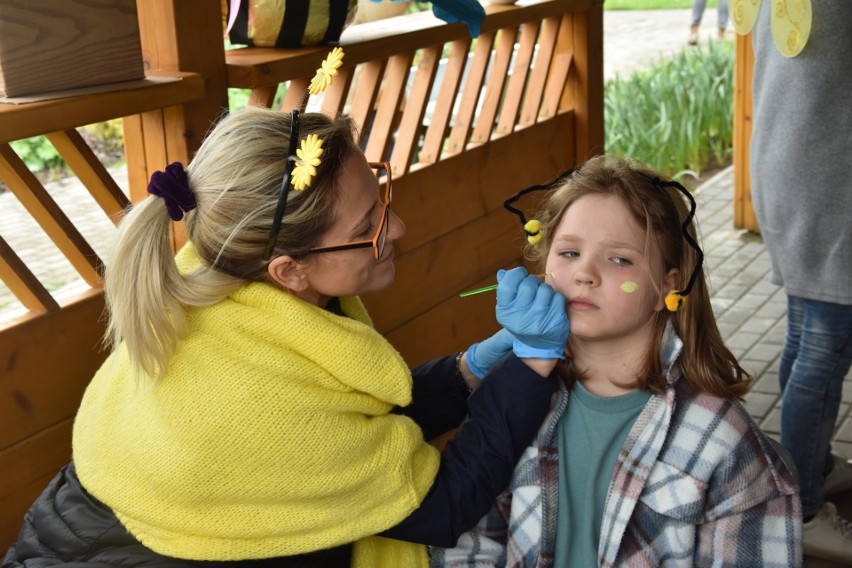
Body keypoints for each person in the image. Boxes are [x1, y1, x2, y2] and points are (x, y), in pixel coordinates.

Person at [3, 103, 572, 567]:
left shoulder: (232, 269)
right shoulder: (251, 398)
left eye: (380, 197)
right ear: (289, 270)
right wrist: (531, 367)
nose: (395, 228)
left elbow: (342, 421)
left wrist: (467, 372)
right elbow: (442, 504)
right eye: (366, 227)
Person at [431, 155, 802, 567]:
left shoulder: (722, 439)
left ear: (668, 286)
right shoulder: (508, 403)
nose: (585, 273)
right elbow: (470, 545)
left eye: (619, 259)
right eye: (569, 252)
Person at [749, 1, 852, 563]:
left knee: (806, 336)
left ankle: (806, 467)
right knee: (824, 353)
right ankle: (803, 509)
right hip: (831, 186)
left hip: (792, 169)